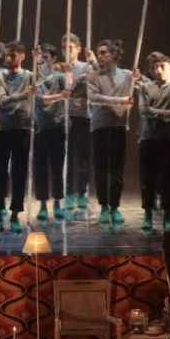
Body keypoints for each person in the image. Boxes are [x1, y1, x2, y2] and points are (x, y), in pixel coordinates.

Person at [138, 51, 170, 232]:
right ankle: (148, 215)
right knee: (148, 178)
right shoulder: (145, 87)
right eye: (154, 68)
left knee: (169, 177)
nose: (158, 70)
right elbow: (144, 111)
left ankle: (168, 214)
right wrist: (169, 113)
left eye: (162, 67)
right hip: (148, 137)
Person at [86, 39, 135, 225]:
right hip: (100, 125)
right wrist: (120, 100)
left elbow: (146, 86)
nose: (99, 56)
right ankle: (104, 207)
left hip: (118, 125)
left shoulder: (127, 75)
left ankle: (115, 206)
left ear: (114, 54)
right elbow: (94, 97)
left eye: (103, 52)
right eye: (98, 53)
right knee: (101, 168)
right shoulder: (93, 75)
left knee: (116, 168)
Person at [0, 41, 33, 232]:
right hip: (1, 129)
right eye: (7, 54)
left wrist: (40, 62)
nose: (8, 58)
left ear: (22, 56)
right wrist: (24, 95)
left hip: (22, 129)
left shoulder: (30, 76)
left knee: (19, 172)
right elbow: (2, 101)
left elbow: (46, 82)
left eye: (13, 55)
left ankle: (15, 213)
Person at [32, 44, 70, 222]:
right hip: (39, 128)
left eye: (46, 57)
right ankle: (42, 205)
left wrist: (69, 73)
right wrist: (60, 96)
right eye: (41, 58)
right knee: (40, 168)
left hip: (57, 127)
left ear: (54, 59)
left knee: (57, 166)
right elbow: (41, 100)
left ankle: (57, 202)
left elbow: (70, 88)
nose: (42, 61)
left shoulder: (59, 77)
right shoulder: (34, 78)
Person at [62, 34, 98, 219]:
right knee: (67, 158)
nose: (66, 52)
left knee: (83, 158)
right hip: (65, 117)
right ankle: (69, 194)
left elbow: (99, 78)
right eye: (64, 48)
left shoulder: (86, 66)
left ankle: (82, 194)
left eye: (70, 48)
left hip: (83, 117)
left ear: (78, 49)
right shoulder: (61, 68)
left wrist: (94, 61)